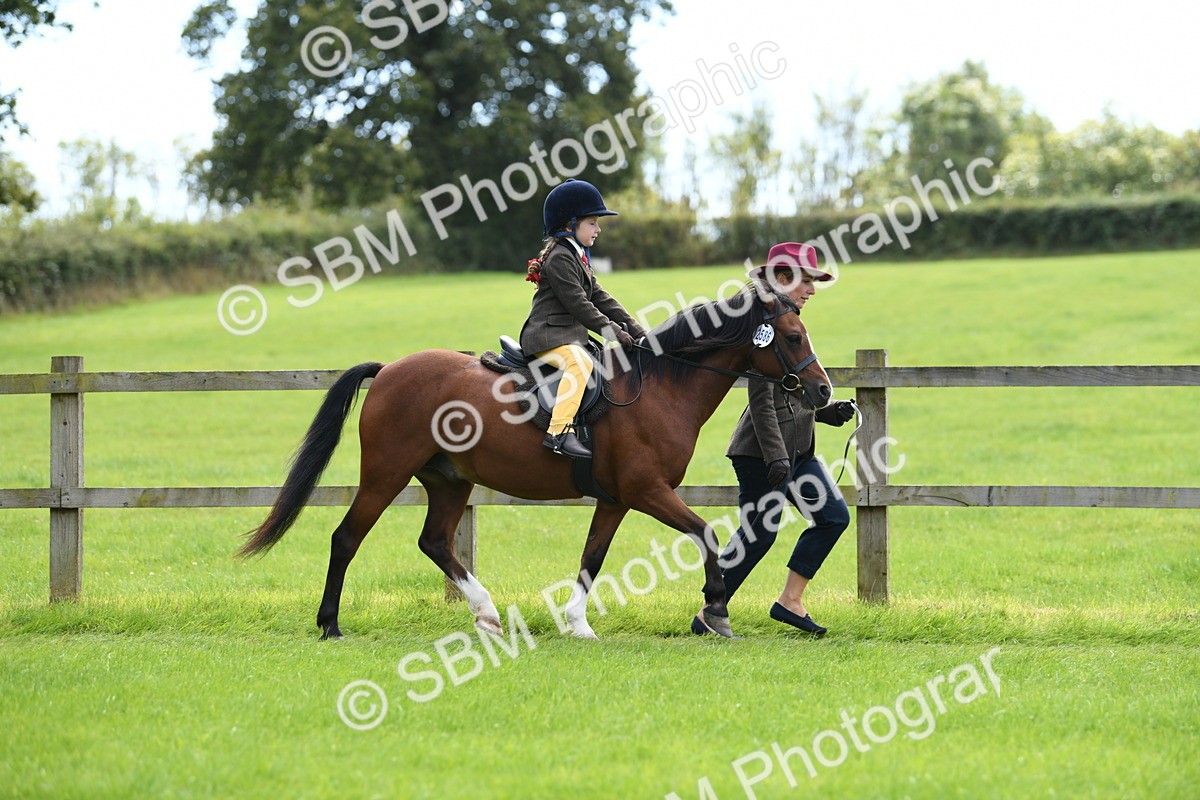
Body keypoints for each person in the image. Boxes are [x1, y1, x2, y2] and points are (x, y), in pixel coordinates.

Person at [693, 242, 855, 637]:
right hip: (760, 454)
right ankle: (709, 614)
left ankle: (790, 601)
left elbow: (794, 387)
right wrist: (775, 458)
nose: (813, 290)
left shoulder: (790, 319)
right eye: (807, 280)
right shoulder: (763, 328)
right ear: (782, 279)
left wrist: (826, 413)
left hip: (797, 453)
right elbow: (762, 399)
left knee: (833, 517)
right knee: (759, 533)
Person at [520, 179, 646, 459]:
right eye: (592, 223)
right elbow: (580, 305)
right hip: (547, 336)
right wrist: (614, 332)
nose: (598, 229)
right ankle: (559, 433)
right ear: (569, 225)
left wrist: (638, 331)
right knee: (580, 363)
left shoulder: (577, 256)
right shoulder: (560, 259)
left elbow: (601, 297)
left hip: (568, 335)